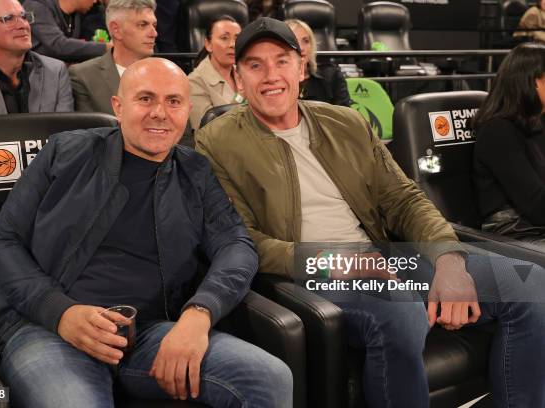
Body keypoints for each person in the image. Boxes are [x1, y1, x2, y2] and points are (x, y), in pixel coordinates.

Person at [196, 17, 545, 407]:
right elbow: (242, 241)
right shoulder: (216, 141)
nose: (270, 75)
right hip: (316, 270)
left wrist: (449, 260)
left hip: (385, 257)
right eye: (254, 65)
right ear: (238, 79)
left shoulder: (346, 122)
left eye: (281, 60)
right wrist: (335, 262)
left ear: (301, 68)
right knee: (402, 313)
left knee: (532, 285)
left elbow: (403, 198)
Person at [0, 57, 293, 408]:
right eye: (145, 99)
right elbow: (1, 245)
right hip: (48, 329)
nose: (160, 112)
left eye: (173, 101)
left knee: (269, 377)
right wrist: (60, 312)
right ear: (118, 106)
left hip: (149, 333)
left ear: (188, 110)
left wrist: (199, 314)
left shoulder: (196, 171)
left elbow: (237, 246)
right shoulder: (64, 151)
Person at [473, 42, 545, 246]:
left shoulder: (538, 122)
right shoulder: (498, 131)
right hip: (516, 234)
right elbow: (537, 206)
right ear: (532, 82)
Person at [69, 0, 157, 114]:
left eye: (154, 25)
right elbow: (89, 129)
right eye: (142, 25)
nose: (154, 33)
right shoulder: (83, 76)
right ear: (116, 30)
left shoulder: (167, 74)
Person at [188, 15, 243, 130]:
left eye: (237, 38)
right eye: (224, 38)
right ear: (208, 44)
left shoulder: (244, 72)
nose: (233, 44)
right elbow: (205, 132)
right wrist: (240, 96)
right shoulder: (195, 82)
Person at [285, 19, 350, 107]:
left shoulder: (332, 76)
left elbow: (344, 116)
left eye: (306, 41)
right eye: (295, 41)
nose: (302, 48)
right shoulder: (277, 82)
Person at [22, 0, 110, 62]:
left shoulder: (78, 15)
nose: (95, 1)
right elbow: (57, 45)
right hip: (31, 77)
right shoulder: (37, 6)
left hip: (59, 76)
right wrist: (106, 47)